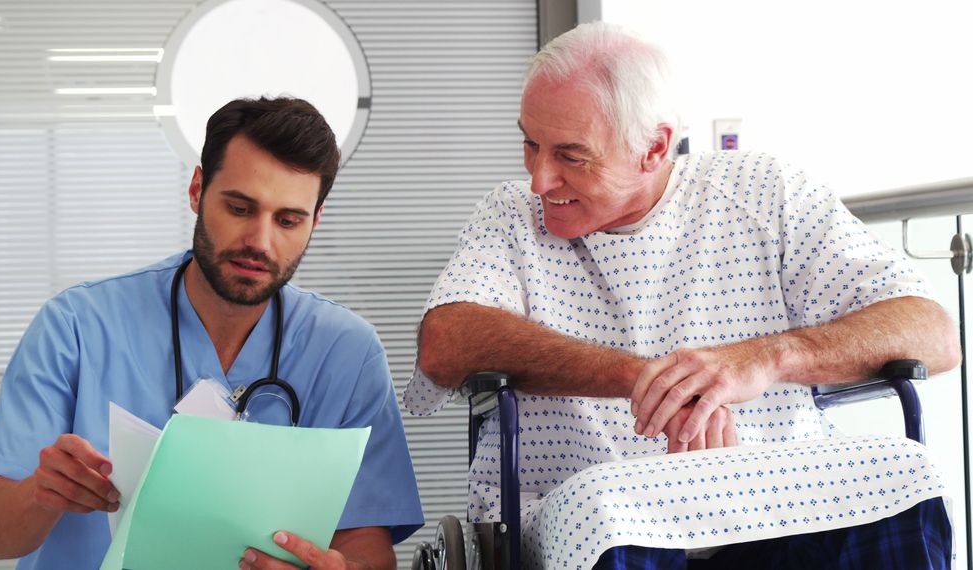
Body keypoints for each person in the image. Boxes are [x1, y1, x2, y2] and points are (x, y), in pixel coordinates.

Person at [405, 22, 962, 569]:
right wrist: (653, 382)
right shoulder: (509, 216)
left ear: (654, 147)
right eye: (530, 144)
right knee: (611, 515)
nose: (539, 180)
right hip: (603, 515)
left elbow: (931, 332)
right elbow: (448, 341)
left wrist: (765, 358)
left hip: (775, 502)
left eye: (570, 156)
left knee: (903, 477)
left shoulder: (765, 192)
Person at [0, 97, 424, 570]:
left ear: (315, 220)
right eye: (240, 208)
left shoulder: (347, 353)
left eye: (288, 221)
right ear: (197, 189)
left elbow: (367, 548)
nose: (261, 242)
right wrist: (43, 493)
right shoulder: (77, 327)